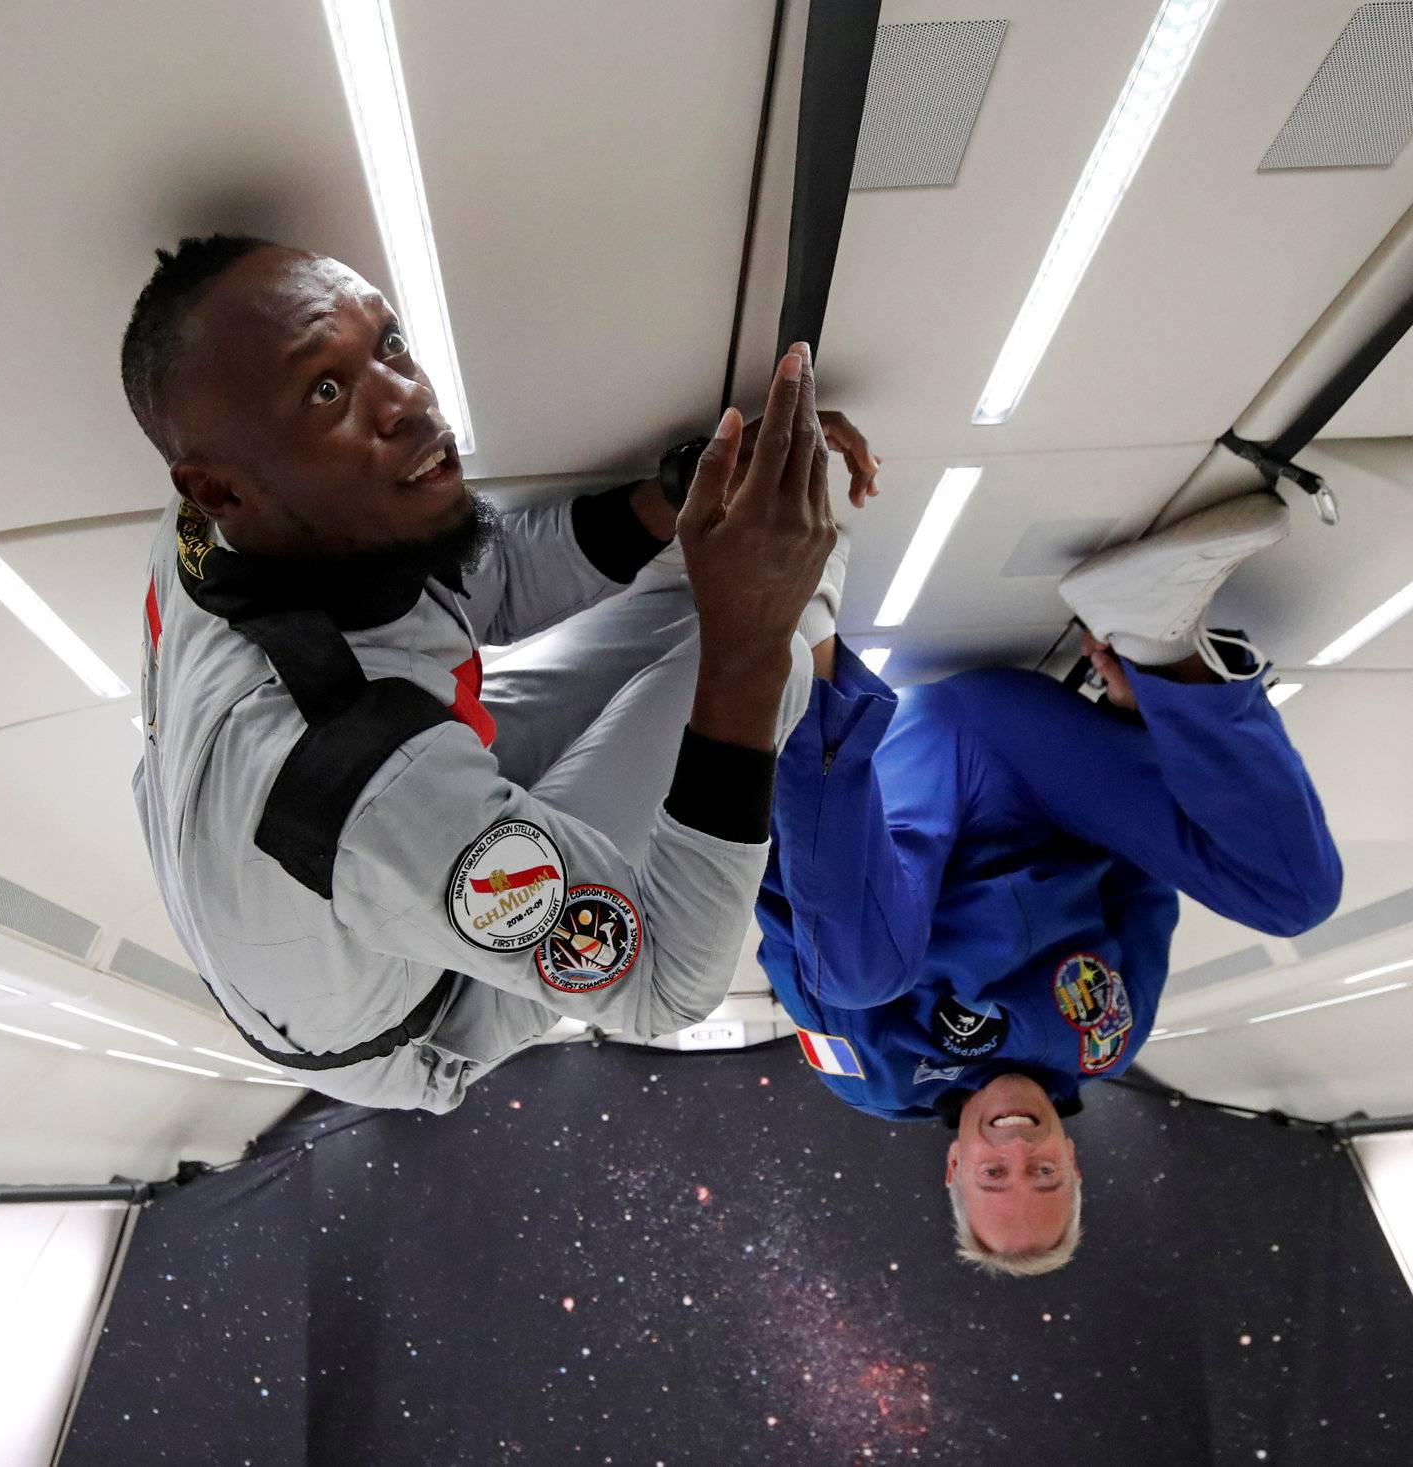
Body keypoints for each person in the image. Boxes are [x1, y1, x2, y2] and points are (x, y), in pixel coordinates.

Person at [121, 234, 875, 1112]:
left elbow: (488, 579)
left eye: (389, 343)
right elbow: (667, 980)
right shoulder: (360, 775)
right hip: (416, 1016)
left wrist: (675, 495)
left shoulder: (218, 525)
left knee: (694, 598)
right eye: (326, 391)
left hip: (312, 873)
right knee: (768, 655)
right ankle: (805, 583)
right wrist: (751, 642)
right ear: (217, 487)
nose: (407, 401)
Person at [755, 493, 1344, 1276]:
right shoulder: (1109, 1037)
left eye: (997, 1173)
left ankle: (805, 621)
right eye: (1045, 1171)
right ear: (1073, 1158)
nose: (1018, 1145)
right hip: (1039, 761)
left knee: (858, 973)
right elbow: (1145, 882)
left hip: (910, 781)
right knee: (1296, 899)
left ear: (955, 1168)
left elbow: (796, 919)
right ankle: (1157, 635)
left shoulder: (875, 1077)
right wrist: (1146, 735)